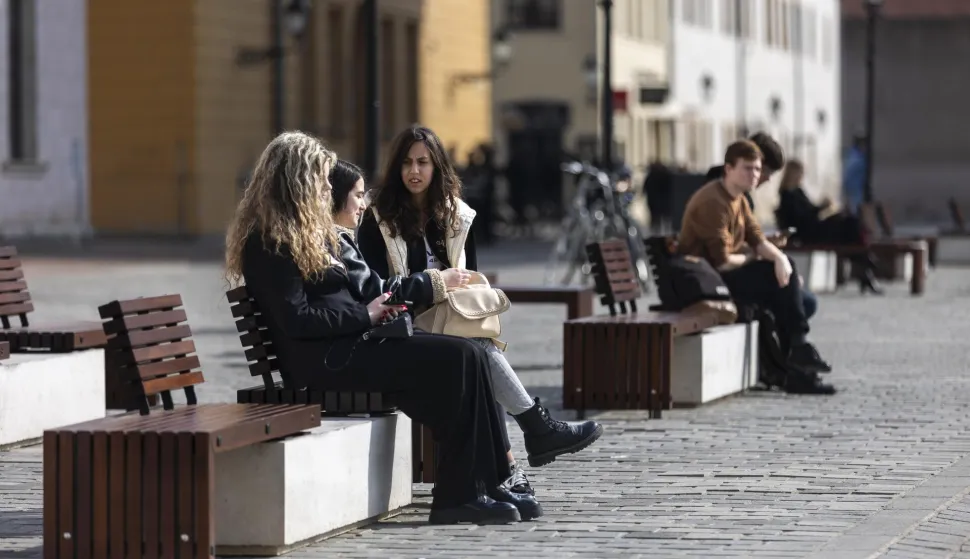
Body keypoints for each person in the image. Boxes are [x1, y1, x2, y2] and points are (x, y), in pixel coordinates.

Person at [224, 131, 523, 525]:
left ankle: (481, 485)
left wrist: (375, 313)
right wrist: (365, 316)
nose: (327, 188)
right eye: (322, 179)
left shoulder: (311, 236)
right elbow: (296, 319)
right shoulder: (269, 243)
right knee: (459, 358)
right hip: (326, 362)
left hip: (351, 348)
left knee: (468, 354)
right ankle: (463, 493)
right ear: (296, 180)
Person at [357, 125, 604, 479]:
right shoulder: (378, 219)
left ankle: (514, 466)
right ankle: (531, 436)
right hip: (402, 326)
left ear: (437, 166)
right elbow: (377, 289)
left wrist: (459, 287)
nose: (414, 171)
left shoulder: (458, 217)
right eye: (407, 163)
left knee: (475, 351)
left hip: (452, 323)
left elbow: (470, 278)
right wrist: (435, 283)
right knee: (477, 352)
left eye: (423, 162)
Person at [678, 140, 835, 395]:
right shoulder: (713, 201)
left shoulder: (737, 198)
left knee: (782, 277)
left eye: (757, 169)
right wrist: (760, 258)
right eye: (747, 169)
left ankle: (797, 356)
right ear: (728, 169)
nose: (755, 175)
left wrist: (780, 259)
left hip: (719, 276)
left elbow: (758, 240)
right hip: (705, 281)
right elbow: (723, 261)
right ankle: (796, 358)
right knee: (779, 288)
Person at [776, 159, 882, 294]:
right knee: (849, 224)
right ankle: (866, 261)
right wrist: (822, 207)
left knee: (849, 226)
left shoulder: (798, 191)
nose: (801, 176)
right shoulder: (787, 195)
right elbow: (802, 219)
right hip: (807, 233)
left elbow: (810, 212)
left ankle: (866, 267)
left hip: (813, 228)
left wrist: (822, 208)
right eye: (800, 173)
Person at [706, 131, 785, 211]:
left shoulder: (739, 196)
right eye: (765, 170)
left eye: (772, 173)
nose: (768, 178)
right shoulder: (721, 195)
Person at [843, 133, 867, 215]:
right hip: (856, 193)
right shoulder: (856, 158)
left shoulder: (855, 156)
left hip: (857, 192)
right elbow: (848, 178)